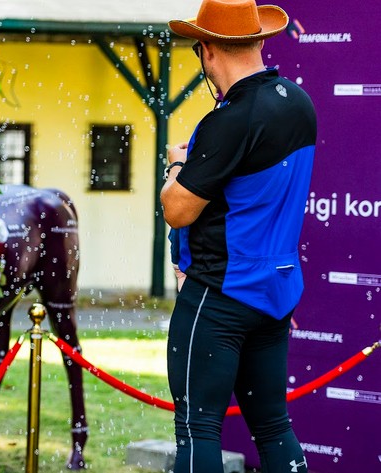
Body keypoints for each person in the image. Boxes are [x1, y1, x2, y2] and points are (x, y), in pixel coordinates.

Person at [161, 1, 315, 472]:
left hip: (218, 295)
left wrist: (177, 164)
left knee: (197, 429)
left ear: (207, 51)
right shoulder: (298, 102)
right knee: (273, 426)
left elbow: (177, 209)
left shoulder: (229, 119)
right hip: (274, 294)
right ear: (259, 41)